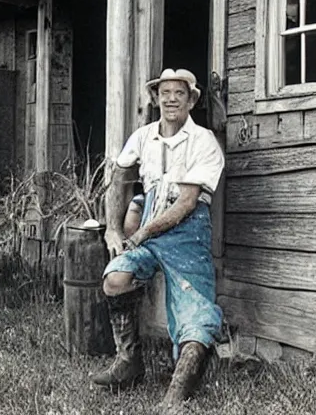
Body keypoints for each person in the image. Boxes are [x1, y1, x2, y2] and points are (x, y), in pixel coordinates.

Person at [91, 68, 225, 412]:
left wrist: (143, 232)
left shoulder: (203, 140)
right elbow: (120, 176)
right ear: (155, 98)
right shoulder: (143, 136)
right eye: (164, 93)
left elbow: (186, 202)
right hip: (147, 227)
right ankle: (129, 362)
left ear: (191, 99)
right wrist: (113, 229)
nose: (170, 99)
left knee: (197, 318)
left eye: (179, 93)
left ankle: (175, 396)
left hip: (187, 233)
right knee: (116, 278)